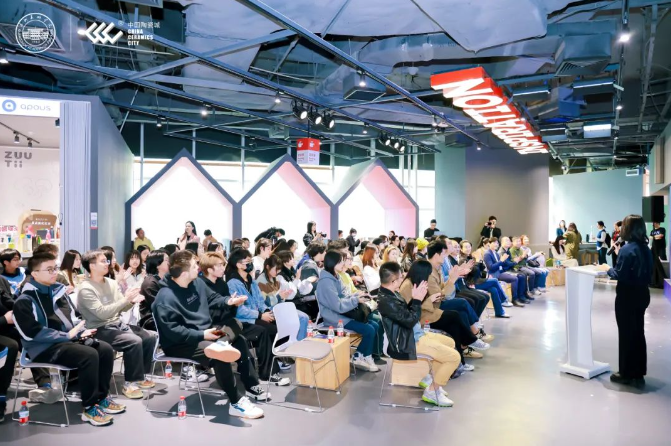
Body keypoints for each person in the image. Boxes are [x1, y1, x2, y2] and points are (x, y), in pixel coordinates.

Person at [13, 252, 124, 426]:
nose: (54, 273)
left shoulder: (58, 292)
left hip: (65, 342)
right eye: (49, 269)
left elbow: (72, 319)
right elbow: (30, 333)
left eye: (55, 268)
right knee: (88, 355)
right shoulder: (25, 300)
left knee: (105, 349)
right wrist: (67, 335)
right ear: (34, 273)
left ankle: (101, 397)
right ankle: (89, 407)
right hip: (42, 348)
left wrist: (80, 332)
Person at [153, 250, 264, 418]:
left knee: (237, 330)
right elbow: (173, 332)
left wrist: (229, 301)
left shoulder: (197, 283)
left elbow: (213, 298)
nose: (198, 268)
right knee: (220, 354)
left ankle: (250, 384)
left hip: (206, 333)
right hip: (180, 343)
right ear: (184, 273)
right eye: (194, 266)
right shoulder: (165, 298)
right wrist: (202, 335)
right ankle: (236, 402)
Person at [377, 261, 460, 407]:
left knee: (450, 342)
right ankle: (432, 391)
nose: (403, 278)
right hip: (406, 341)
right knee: (454, 357)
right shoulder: (387, 301)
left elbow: (406, 316)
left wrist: (417, 300)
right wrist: (416, 300)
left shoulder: (391, 294)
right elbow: (409, 321)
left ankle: (431, 379)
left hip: (413, 334)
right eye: (400, 276)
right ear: (393, 281)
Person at [78, 250, 156, 400]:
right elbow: (102, 314)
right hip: (99, 328)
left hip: (117, 324)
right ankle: (130, 383)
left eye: (107, 261)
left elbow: (121, 307)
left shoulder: (111, 283)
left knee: (149, 337)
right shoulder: (86, 288)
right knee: (134, 341)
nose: (107, 264)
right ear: (92, 266)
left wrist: (131, 300)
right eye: (103, 261)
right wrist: (126, 300)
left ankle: (140, 375)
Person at [199, 251, 271, 401]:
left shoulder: (221, 283)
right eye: (219, 265)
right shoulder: (200, 285)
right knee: (232, 344)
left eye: (223, 264)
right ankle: (232, 388)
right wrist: (229, 305)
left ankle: (252, 386)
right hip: (211, 328)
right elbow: (208, 311)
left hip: (226, 325)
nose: (223, 268)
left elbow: (229, 310)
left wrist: (233, 304)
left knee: (242, 344)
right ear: (209, 269)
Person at [599, 215, 653, 387]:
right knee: (638, 332)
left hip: (627, 296)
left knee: (626, 334)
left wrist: (608, 268)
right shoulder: (645, 248)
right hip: (642, 294)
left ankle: (626, 373)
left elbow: (620, 274)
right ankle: (638, 372)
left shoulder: (627, 249)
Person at [399, 256, 480, 369]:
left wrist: (448, 283)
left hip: (429, 313)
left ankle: (460, 361)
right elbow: (408, 310)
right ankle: (470, 341)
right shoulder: (407, 285)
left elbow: (440, 294)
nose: (429, 275)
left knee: (454, 325)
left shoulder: (418, 281)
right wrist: (430, 300)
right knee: (454, 315)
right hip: (420, 319)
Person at [226, 249, 290, 386]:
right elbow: (239, 310)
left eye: (251, 261)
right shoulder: (233, 283)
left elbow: (260, 302)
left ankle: (274, 362)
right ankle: (267, 373)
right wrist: (260, 315)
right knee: (267, 330)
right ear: (238, 265)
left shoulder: (251, 281)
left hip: (255, 317)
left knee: (278, 324)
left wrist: (267, 312)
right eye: (247, 262)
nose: (251, 264)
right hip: (243, 321)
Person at [315, 250, 379, 372]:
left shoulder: (336, 277)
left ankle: (362, 355)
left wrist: (357, 296)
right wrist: (355, 300)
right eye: (341, 262)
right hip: (334, 318)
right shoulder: (326, 282)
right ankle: (360, 356)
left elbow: (345, 296)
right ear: (332, 263)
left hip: (344, 314)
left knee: (374, 325)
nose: (343, 264)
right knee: (369, 329)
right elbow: (337, 306)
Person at [256, 255, 308, 338]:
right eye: (275, 269)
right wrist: (279, 297)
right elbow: (264, 302)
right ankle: (298, 342)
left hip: (278, 306)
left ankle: (298, 341)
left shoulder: (275, 279)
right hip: (270, 310)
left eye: (278, 270)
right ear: (267, 267)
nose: (277, 272)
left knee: (304, 317)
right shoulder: (260, 281)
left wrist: (284, 295)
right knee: (302, 318)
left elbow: (278, 297)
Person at [459, 240, 510, 318]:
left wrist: (480, 260)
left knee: (493, 289)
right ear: (461, 249)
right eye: (466, 247)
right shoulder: (462, 260)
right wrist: (477, 261)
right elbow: (473, 271)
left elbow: (481, 269)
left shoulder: (471, 257)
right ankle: (504, 299)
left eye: (469, 246)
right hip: (471, 283)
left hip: (477, 280)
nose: (468, 248)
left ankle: (499, 312)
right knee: (495, 281)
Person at [484, 237, 528, 306]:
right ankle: (514, 299)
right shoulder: (487, 254)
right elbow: (491, 267)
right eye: (494, 243)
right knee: (514, 279)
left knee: (519, 276)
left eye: (497, 243)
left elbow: (502, 264)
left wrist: (503, 263)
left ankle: (520, 296)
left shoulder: (495, 253)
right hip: (494, 274)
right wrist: (501, 261)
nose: (496, 244)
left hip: (500, 272)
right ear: (489, 244)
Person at [139, 249, 169, 329]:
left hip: (165, 317)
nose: (170, 262)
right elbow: (160, 308)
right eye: (167, 260)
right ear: (157, 264)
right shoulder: (150, 283)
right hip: (153, 322)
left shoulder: (166, 280)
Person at [294, 243, 325, 318]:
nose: (325, 253)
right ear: (319, 253)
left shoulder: (311, 263)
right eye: (324, 251)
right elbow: (309, 288)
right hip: (309, 303)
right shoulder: (309, 265)